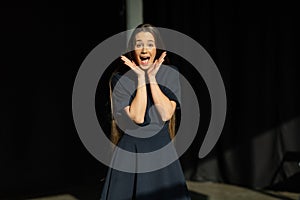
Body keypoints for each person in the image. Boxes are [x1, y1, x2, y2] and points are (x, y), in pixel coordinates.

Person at [100, 23, 191, 200]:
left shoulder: (170, 74)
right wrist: (141, 78)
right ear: (132, 49)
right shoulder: (120, 78)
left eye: (150, 44)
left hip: (162, 155)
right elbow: (138, 117)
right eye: (138, 43)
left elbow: (166, 114)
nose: (144, 49)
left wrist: (151, 78)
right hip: (130, 155)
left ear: (157, 48)